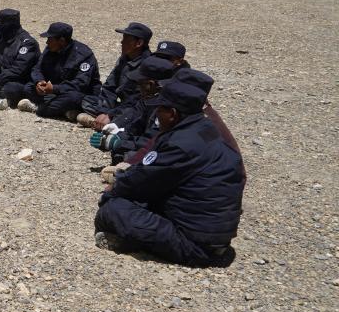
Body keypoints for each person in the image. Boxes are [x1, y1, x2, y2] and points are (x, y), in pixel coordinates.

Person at [94, 79, 244, 267]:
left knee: (113, 210)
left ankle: (134, 243)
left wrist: (112, 192)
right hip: (216, 237)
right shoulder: (206, 129)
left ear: (172, 114)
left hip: (195, 245)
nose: (157, 115)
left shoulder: (180, 143)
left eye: (160, 110)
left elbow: (140, 181)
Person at [3, 22, 100, 120]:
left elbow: (80, 84)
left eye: (50, 39)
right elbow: (37, 68)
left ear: (62, 41)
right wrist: (39, 82)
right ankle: (65, 111)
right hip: (54, 91)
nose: (47, 42)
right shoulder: (50, 49)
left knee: (71, 98)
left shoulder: (83, 55)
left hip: (75, 92)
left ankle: (41, 108)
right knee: (28, 88)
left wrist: (54, 88)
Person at [90, 56, 177, 163]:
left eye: (140, 84)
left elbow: (155, 140)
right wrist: (116, 134)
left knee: (133, 156)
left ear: (150, 85)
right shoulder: (149, 99)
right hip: (150, 144)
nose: (139, 88)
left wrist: (119, 143)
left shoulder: (167, 107)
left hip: (168, 152)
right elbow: (135, 125)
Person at [78, 22, 152, 129]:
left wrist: (110, 114)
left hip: (133, 107)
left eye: (126, 39)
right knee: (85, 100)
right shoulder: (124, 60)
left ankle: (100, 122)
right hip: (119, 107)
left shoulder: (148, 66)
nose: (122, 42)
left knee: (134, 114)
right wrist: (105, 111)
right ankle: (105, 121)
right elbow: (109, 87)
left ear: (139, 43)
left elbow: (136, 100)